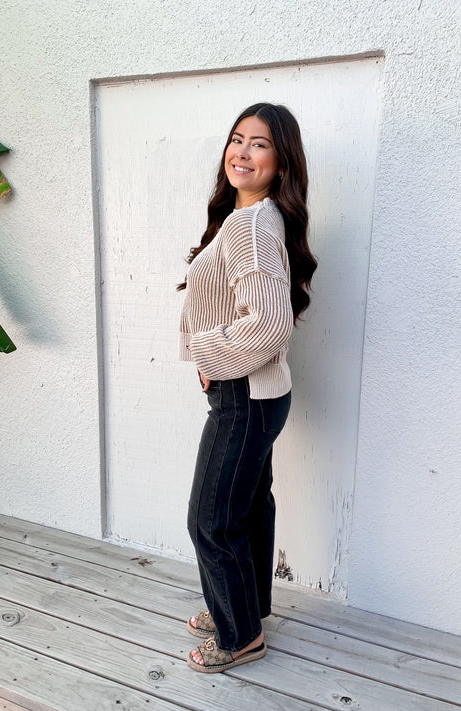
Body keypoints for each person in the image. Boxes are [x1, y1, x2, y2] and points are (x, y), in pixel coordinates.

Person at [177, 102, 317, 673]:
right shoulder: (255, 217)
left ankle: (240, 638)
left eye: (260, 144)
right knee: (249, 506)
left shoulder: (252, 225)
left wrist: (206, 355)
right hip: (261, 395)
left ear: (282, 162)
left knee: (210, 519)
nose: (242, 152)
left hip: (243, 396)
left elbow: (268, 324)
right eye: (238, 139)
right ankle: (246, 611)